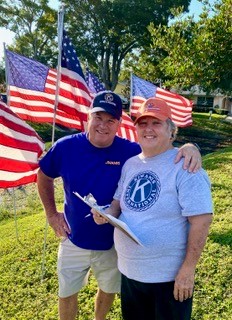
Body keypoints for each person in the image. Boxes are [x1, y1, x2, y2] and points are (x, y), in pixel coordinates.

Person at [37, 91, 202, 320]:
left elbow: (161, 148)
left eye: (111, 120)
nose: (103, 125)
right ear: (89, 117)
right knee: (67, 292)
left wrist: (191, 146)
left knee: (108, 289)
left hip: (112, 247)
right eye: (98, 117)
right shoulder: (66, 147)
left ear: (118, 125)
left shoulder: (130, 152)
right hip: (73, 237)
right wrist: (52, 214)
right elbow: (43, 175)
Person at [93, 97, 213, 320]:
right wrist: (106, 214)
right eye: (142, 123)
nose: (148, 129)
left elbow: (201, 221)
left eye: (156, 123)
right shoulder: (131, 164)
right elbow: (118, 203)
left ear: (171, 131)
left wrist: (188, 270)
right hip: (130, 274)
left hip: (167, 279)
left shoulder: (185, 165)